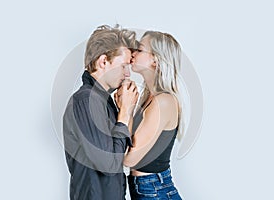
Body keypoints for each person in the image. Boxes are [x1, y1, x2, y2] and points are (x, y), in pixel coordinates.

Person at [63, 25, 139, 200]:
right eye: (124, 66)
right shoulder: (85, 101)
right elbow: (109, 165)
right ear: (103, 62)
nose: (128, 74)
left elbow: (120, 155)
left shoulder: (103, 101)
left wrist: (125, 111)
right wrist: (125, 113)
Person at [117, 31, 184, 199]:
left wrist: (126, 109)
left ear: (155, 59)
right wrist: (128, 108)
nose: (133, 53)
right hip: (146, 189)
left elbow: (129, 159)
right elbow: (129, 143)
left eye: (139, 49)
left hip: (155, 191)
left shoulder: (164, 102)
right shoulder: (148, 97)